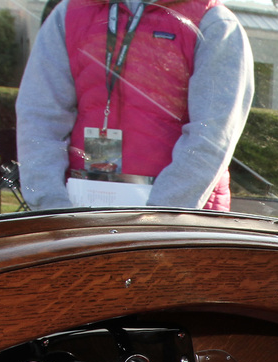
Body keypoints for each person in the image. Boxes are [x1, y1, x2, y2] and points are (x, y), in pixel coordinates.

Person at [17, 0, 253, 210]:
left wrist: (159, 218)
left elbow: (212, 137)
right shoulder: (69, 13)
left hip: (179, 225)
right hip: (80, 219)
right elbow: (39, 117)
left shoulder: (215, 24)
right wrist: (51, 208)